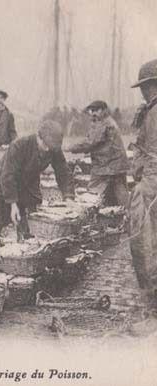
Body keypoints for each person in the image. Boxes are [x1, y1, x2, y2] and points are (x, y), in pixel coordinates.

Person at [0, 120, 75, 254]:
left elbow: (63, 171)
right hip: (1, 186)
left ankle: (26, 259)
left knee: (30, 231)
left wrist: (68, 197)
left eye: (50, 148)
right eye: (45, 145)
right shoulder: (20, 145)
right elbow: (8, 175)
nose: (47, 150)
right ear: (38, 137)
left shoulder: (52, 149)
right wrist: (13, 204)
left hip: (27, 190)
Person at [128, 59, 157, 310]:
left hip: (151, 185)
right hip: (149, 180)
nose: (143, 91)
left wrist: (143, 186)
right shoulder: (149, 111)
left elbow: (153, 155)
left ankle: (152, 311)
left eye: (146, 86)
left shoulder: (155, 112)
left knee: (144, 245)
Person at [63, 100, 129, 206]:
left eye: (96, 110)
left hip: (107, 165)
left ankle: (89, 213)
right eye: (91, 111)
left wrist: (70, 147)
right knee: (120, 192)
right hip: (116, 164)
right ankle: (128, 214)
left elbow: (90, 142)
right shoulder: (106, 121)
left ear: (103, 110)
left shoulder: (105, 123)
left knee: (93, 192)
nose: (93, 113)